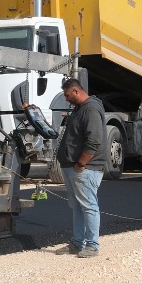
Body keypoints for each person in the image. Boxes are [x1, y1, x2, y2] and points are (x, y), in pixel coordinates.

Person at [56, 77, 106, 256]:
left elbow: (94, 140)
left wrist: (81, 163)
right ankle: (77, 243)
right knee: (77, 207)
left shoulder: (91, 109)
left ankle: (92, 245)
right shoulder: (80, 109)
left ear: (76, 91)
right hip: (73, 167)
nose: (66, 99)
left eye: (68, 95)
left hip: (85, 169)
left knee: (89, 206)